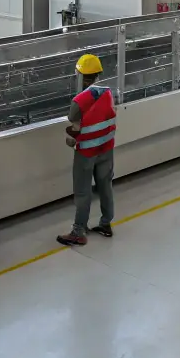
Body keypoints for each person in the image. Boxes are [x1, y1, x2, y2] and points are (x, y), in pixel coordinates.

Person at [57, 53, 117, 247]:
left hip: (86, 153)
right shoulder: (108, 93)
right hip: (106, 149)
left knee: (83, 192)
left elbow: (73, 119)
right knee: (105, 185)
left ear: (81, 76)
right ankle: (106, 223)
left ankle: (78, 232)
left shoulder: (79, 100)